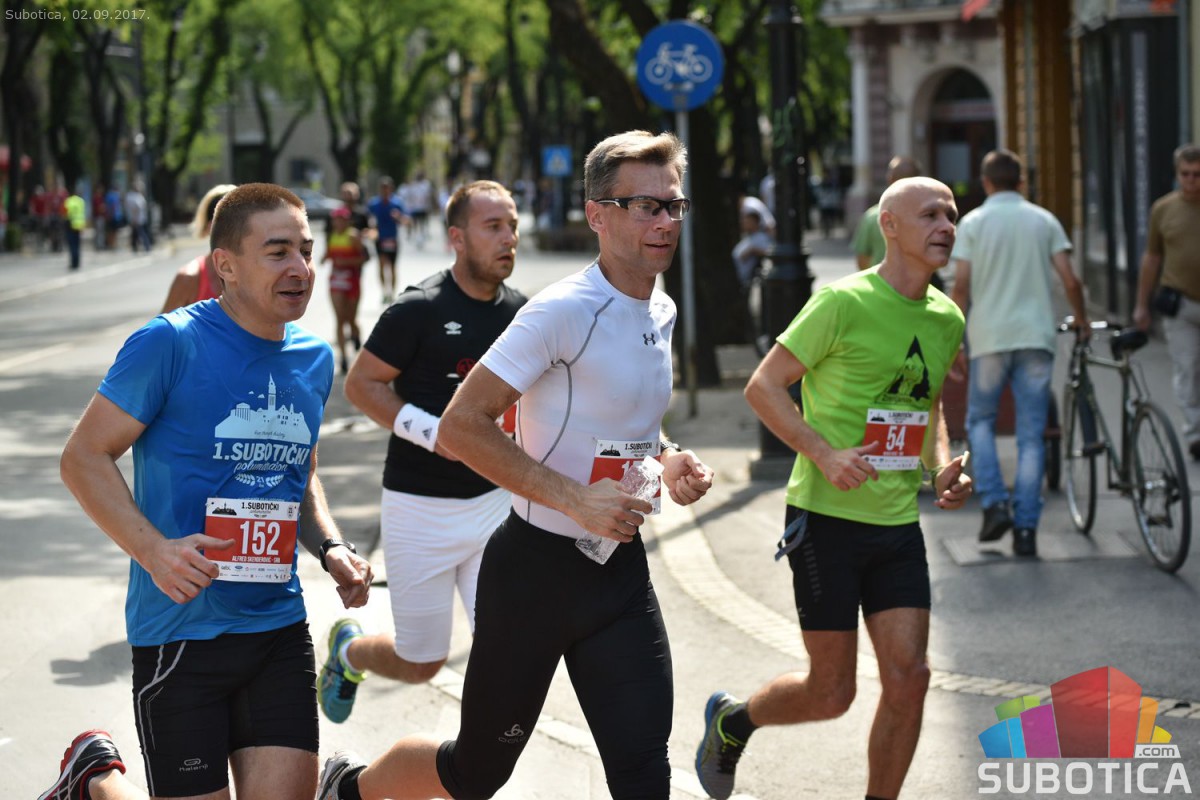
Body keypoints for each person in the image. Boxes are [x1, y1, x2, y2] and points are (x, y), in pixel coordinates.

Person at [318, 130, 715, 800]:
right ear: (597, 214)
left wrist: (669, 458)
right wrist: (574, 499)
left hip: (617, 572)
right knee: (475, 775)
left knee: (645, 772)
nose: (665, 222)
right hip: (533, 576)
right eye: (646, 206)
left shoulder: (662, 307)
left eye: (673, 205)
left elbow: (624, 425)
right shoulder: (560, 311)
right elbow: (462, 425)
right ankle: (349, 788)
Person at [49, 183, 374, 799]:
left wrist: (330, 546)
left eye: (306, 251)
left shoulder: (313, 359)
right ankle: (93, 780)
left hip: (277, 626)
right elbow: (83, 457)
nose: (301, 268)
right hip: (181, 632)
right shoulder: (169, 343)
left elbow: (298, 471)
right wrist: (154, 551)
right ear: (225, 264)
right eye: (277, 252)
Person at [695, 177, 972, 800]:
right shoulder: (842, 303)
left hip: (897, 524)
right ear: (889, 226)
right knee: (831, 693)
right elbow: (763, 386)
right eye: (930, 214)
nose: (946, 226)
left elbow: (927, 407)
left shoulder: (946, 317)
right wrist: (824, 453)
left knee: (911, 677)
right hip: (826, 521)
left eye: (951, 215)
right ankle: (733, 722)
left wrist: (940, 467)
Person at [318, 180, 526, 725]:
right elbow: (361, 385)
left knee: (506, 647)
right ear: (457, 238)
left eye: (512, 226)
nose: (509, 238)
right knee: (421, 662)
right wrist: (436, 434)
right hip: (418, 509)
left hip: (494, 506)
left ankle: (478, 757)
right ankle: (349, 652)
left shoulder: (524, 314)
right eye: (493, 227)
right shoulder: (419, 308)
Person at [950, 149, 1090, 557]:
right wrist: (1081, 320)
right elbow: (1070, 280)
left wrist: (954, 340)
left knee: (980, 421)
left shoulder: (973, 223)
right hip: (1035, 338)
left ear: (985, 182)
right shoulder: (1043, 220)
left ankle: (995, 503)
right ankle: (1026, 529)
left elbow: (961, 287)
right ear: (1022, 182)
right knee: (1031, 436)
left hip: (988, 338)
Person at [1133, 143, 1200, 460]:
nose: (1192, 181)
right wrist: (1141, 305)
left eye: (1198, 175)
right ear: (1177, 175)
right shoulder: (1163, 209)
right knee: (1188, 369)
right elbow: (1152, 258)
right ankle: (1196, 434)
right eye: (1186, 174)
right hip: (1181, 304)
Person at [160, 184, 236, 312]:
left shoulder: (259, 274)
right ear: (210, 227)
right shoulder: (189, 278)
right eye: (230, 224)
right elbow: (163, 324)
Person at [852, 156, 923, 272]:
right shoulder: (929, 216)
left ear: (890, 179)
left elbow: (862, 260)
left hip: (880, 280)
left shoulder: (872, 217)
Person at [321, 207, 369, 375]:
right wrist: (324, 258)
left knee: (351, 318)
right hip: (336, 281)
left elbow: (364, 258)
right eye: (336, 219)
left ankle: (356, 337)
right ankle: (343, 358)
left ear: (348, 221)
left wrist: (346, 262)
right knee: (340, 318)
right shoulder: (332, 235)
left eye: (341, 219)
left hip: (352, 281)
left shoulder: (353, 236)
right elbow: (328, 253)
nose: (338, 222)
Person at [367, 176, 410, 304]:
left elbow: (407, 221)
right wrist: (371, 229)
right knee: (381, 265)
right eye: (383, 188)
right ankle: (384, 292)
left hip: (393, 239)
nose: (385, 190)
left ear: (391, 189)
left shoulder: (397, 203)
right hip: (380, 238)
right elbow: (368, 219)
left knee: (392, 267)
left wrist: (399, 217)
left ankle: (392, 293)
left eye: (387, 188)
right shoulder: (374, 203)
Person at [63, 185, 86, 271]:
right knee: (77, 244)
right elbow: (83, 213)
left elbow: (65, 213)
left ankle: (73, 263)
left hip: (70, 225)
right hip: (79, 225)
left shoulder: (68, 201)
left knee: (72, 245)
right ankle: (77, 262)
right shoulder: (81, 201)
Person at [124, 180, 151, 252]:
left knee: (136, 233)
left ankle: (136, 247)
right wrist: (134, 218)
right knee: (140, 232)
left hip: (137, 218)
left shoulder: (132, 196)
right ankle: (145, 246)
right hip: (137, 218)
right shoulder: (136, 197)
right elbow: (135, 208)